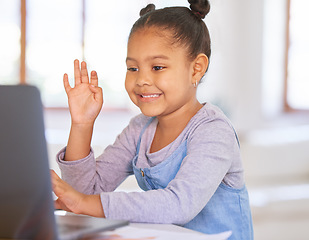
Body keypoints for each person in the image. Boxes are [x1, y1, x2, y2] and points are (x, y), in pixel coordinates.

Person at [51, 1, 254, 239]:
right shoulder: (139, 129)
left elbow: (179, 205)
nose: (142, 80)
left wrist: (85, 203)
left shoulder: (213, 131)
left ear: (196, 69)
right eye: (133, 68)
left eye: (157, 67)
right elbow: (83, 194)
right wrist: (82, 125)